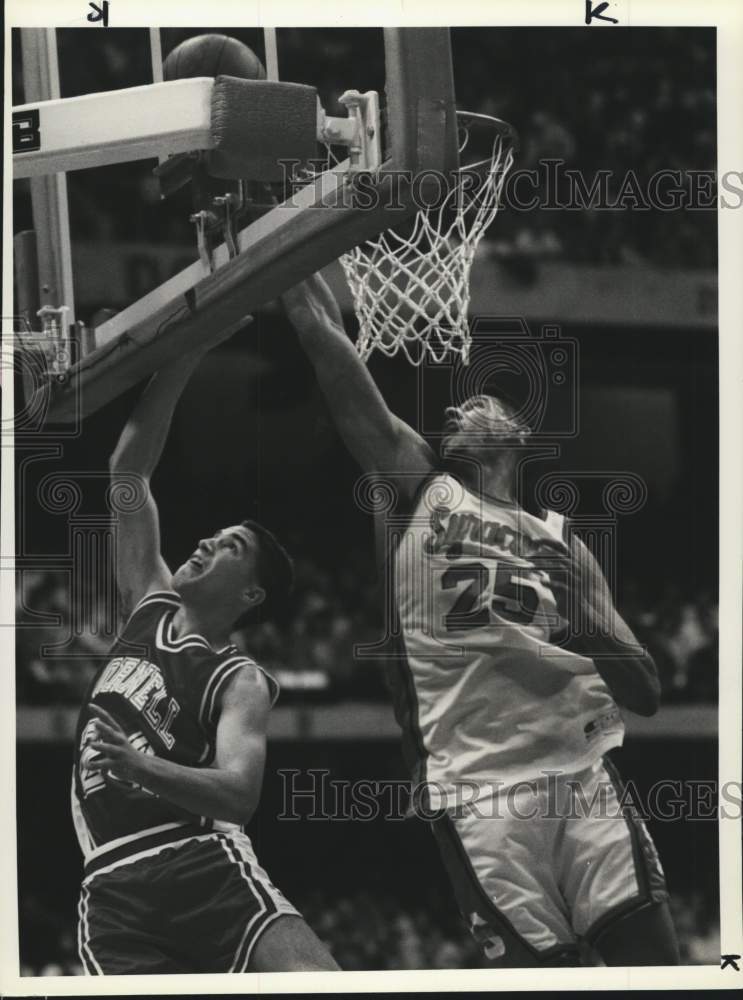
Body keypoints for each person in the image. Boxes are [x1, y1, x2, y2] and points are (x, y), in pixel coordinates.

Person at [282, 271, 680, 968]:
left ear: (519, 438)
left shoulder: (561, 538)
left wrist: (584, 618)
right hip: (477, 790)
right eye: (456, 408)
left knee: (657, 970)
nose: (462, 409)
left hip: (582, 773)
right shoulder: (419, 486)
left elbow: (643, 692)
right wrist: (284, 245)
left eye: (481, 401)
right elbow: (326, 344)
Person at [71, 339, 339, 974]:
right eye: (215, 534)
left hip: (197, 858)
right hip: (110, 880)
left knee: (322, 984)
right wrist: (184, 353)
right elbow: (128, 472)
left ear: (250, 593)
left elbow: (239, 795)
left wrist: (141, 767)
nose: (208, 540)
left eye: (231, 546)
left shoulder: (238, 680)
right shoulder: (148, 603)